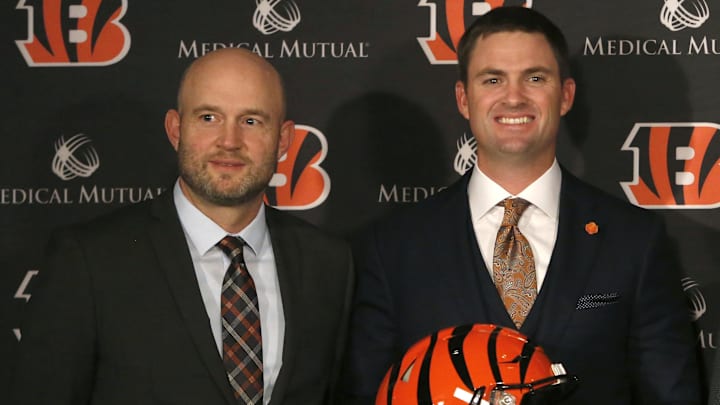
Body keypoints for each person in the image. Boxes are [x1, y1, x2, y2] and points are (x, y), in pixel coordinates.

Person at [342, 7, 700, 405]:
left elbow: (672, 395)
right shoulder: (392, 247)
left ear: (565, 95)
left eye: (535, 78)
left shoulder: (634, 241)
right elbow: (367, 395)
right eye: (493, 79)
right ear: (464, 98)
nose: (513, 97)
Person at [11, 48, 353, 405]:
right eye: (208, 117)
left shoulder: (327, 263)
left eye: (251, 121)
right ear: (176, 129)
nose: (230, 141)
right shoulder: (89, 260)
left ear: (283, 140)